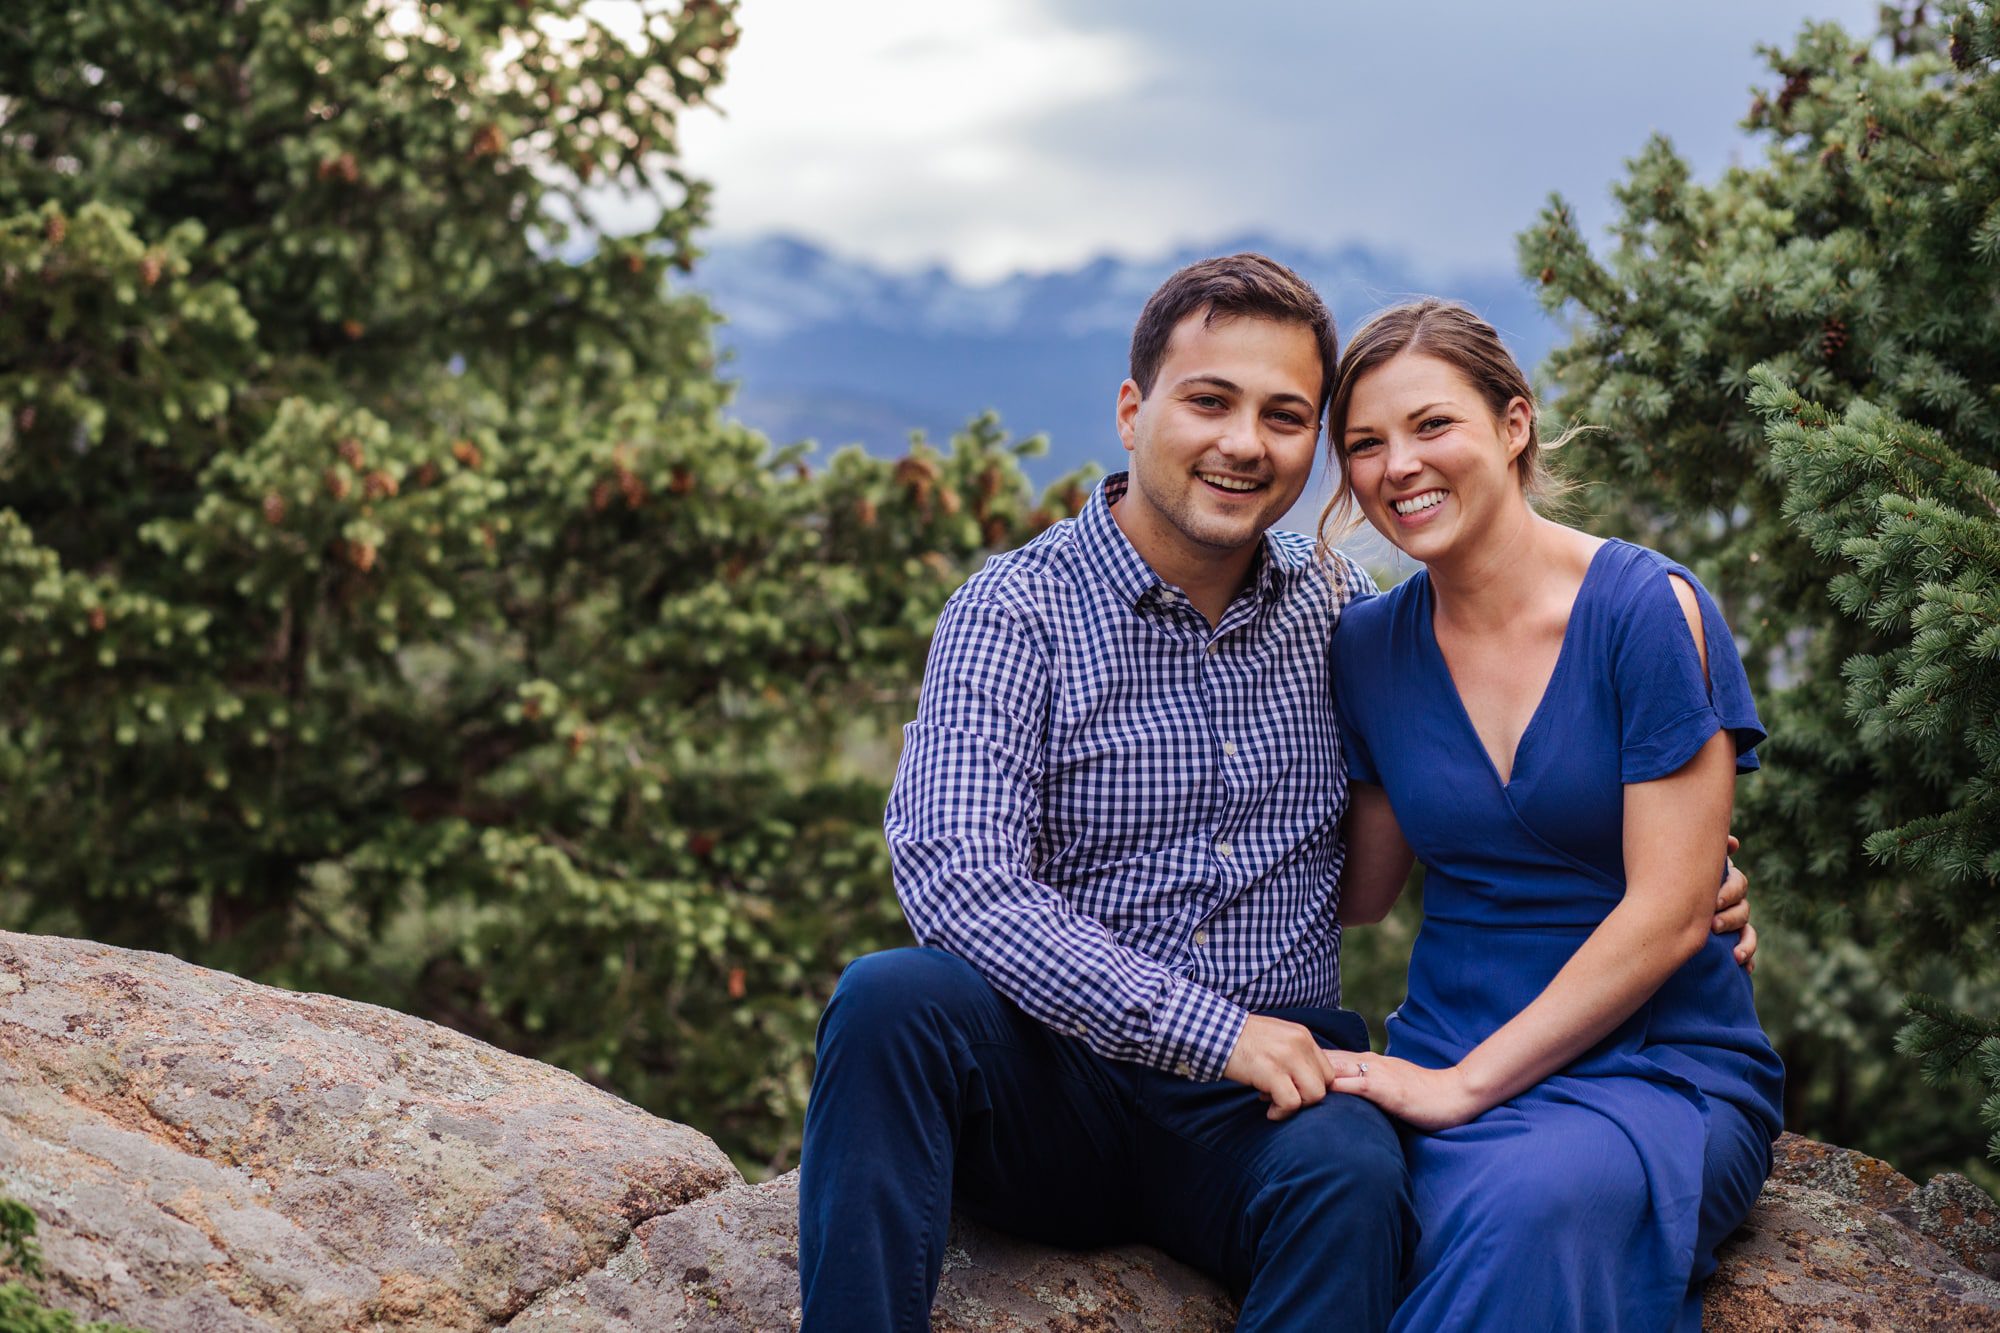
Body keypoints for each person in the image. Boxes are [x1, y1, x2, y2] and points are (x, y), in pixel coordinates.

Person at [796, 256, 1755, 1332]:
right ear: (1130, 409)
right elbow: (957, 880)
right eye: (1209, 400)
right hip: (1057, 1075)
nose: (1243, 443)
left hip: (1265, 1097)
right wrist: (1210, 1031)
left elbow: (1459, 778)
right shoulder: (1016, 610)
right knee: (888, 999)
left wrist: (1681, 880)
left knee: (1350, 1172)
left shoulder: (1336, 606)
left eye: (1285, 416)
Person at [1318, 299, 1784, 1332]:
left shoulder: (1644, 611)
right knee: (1332, 1198)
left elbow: (1668, 914)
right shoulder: (1365, 649)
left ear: (1513, 424)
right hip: (1445, 1035)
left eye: (1430, 424)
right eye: (1362, 444)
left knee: (1530, 1209)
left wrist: (1460, 1089)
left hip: (1655, 1059)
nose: (1397, 465)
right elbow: (1359, 890)